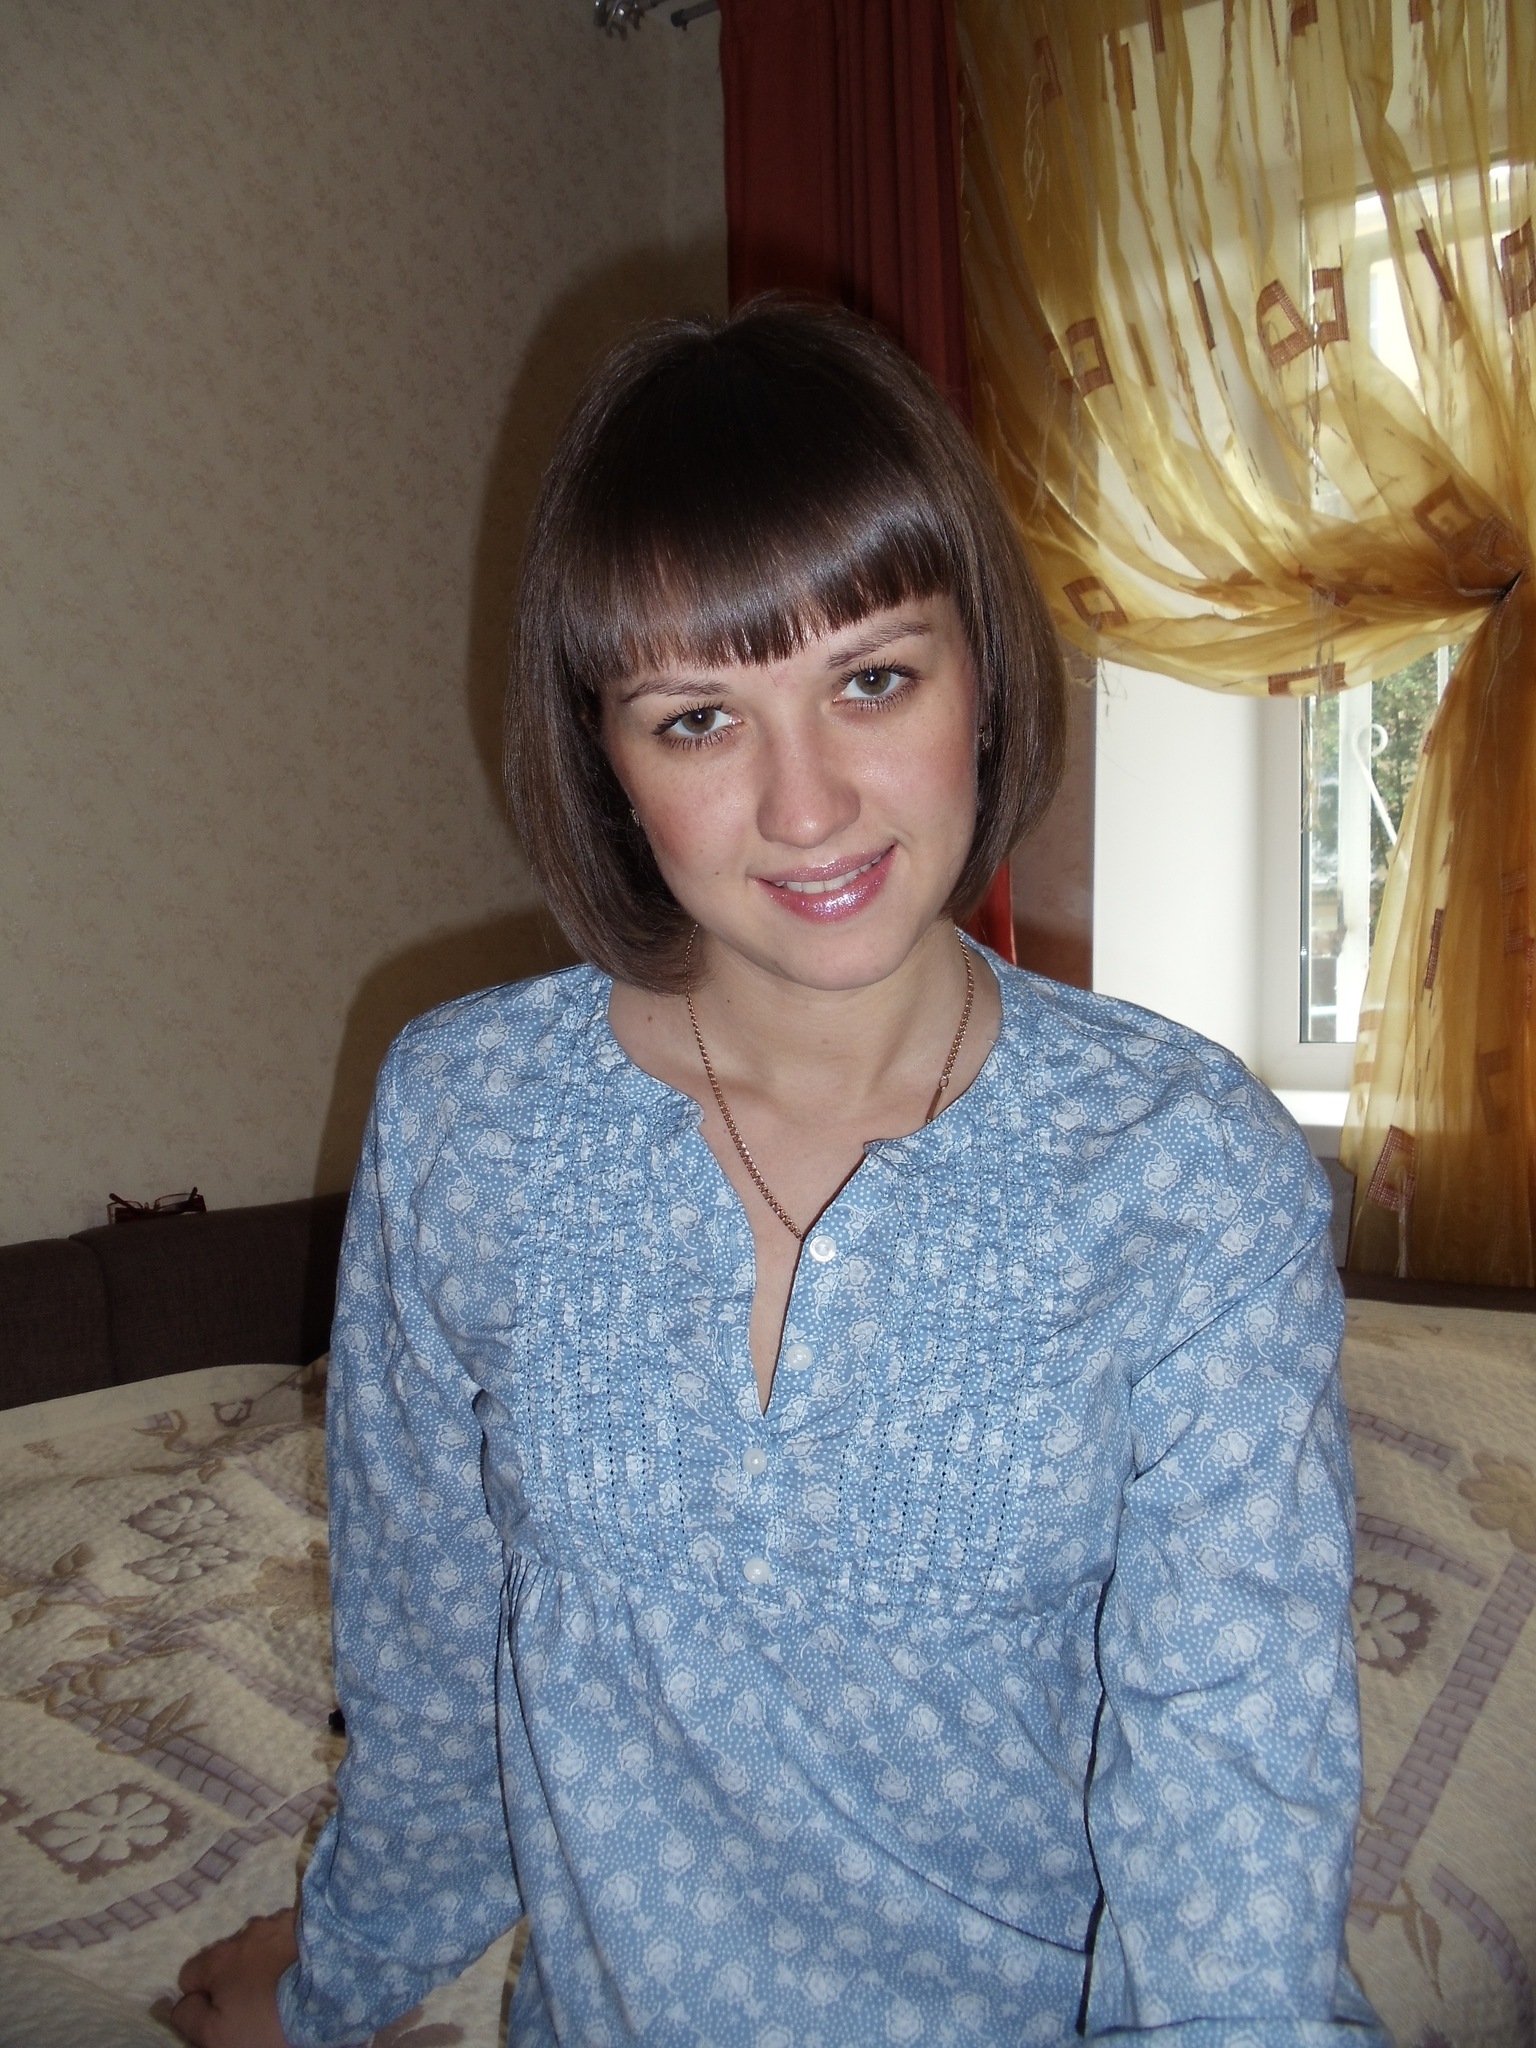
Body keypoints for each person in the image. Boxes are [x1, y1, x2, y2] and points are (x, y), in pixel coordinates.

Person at [171, 301, 1386, 2047]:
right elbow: (432, 1674)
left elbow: (1232, 1813)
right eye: (696, 721)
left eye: (872, 680)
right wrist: (333, 1978)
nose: (805, 807)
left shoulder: (1189, 1176)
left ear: (984, 676)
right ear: (605, 758)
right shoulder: (464, 1120)